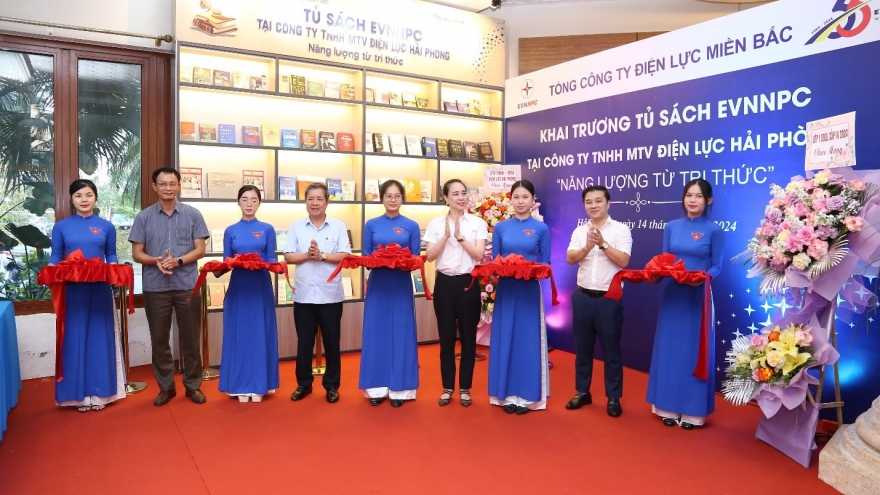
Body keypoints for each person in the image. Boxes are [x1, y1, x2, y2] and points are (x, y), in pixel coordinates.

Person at [647, 178, 724, 429]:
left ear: (708, 200)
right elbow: (665, 260)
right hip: (673, 295)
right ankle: (666, 407)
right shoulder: (671, 227)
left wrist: (702, 279)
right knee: (670, 350)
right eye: (689, 195)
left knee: (694, 351)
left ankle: (692, 412)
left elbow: (717, 266)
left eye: (699, 196)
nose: (693, 200)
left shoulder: (714, 230)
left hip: (697, 297)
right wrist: (657, 273)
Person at [129, 167, 209, 406]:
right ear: (154, 187)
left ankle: (193, 386)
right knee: (160, 340)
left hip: (187, 285)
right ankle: (166, 387)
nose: (168, 188)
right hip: (156, 287)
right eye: (162, 184)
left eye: (172, 183)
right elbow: (136, 253)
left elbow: (200, 249)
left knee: (191, 339)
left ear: (179, 185)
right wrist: (155, 261)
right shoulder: (143, 217)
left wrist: (179, 261)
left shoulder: (193, 214)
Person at [48, 179, 124, 412]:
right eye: (79, 195)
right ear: (71, 199)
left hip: (99, 288)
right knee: (74, 338)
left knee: (100, 338)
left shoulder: (106, 226)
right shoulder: (61, 227)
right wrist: (49, 271)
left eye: (89, 195)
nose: (84, 200)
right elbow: (55, 256)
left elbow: (111, 255)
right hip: (73, 290)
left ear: (95, 198)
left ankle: (101, 394)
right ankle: (77, 396)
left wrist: (115, 270)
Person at [565, 186, 632, 417]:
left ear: (608, 203)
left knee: (611, 351)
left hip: (608, 299)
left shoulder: (621, 230)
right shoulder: (579, 230)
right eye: (589, 202)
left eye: (598, 201)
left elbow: (623, 261)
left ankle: (613, 397)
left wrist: (602, 244)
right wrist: (587, 246)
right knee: (582, 348)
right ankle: (582, 392)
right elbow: (570, 258)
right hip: (582, 297)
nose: (593, 205)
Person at [487, 180, 551, 415]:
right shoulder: (501, 227)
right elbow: (495, 261)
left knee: (527, 341)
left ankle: (527, 397)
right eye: (516, 197)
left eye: (525, 197)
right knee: (505, 337)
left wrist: (529, 269)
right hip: (506, 289)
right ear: (510, 199)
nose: (521, 201)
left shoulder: (541, 229)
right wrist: (505, 268)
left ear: (533, 200)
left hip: (529, 290)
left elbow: (546, 263)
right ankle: (505, 395)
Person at [284, 183, 351, 403]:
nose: (315, 203)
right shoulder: (296, 227)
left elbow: (345, 256)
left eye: (319, 199)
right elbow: (288, 256)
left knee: (332, 343)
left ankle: (331, 386)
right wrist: (308, 255)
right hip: (304, 295)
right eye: (310, 199)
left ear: (327, 202)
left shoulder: (338, 226)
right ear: (305, 202)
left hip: (330, 295)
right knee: (304, 343)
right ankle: (304, 384)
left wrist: (322, 256)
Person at [424, 179, 488, 407]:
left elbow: (479, 255)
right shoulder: (435, 224)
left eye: (463, 193)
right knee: (446, 339)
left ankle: (465, 389)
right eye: (456, 194)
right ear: (445, 197)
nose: (461, 198)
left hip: (468, 283)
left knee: (468, 339)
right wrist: (445, 236)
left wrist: (460, 237)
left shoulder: (477, 223)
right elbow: (430, 256)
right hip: (444, 284)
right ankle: (448, 387)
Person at [359, 180, 421, 407]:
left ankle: (400, 389)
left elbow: (416, 259)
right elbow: (366, 257)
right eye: (388, 196)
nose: (393, 200)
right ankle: (376, 388)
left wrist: (400, 260)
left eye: (397, 196)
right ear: (381, 198)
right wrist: (381, 259)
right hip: (378, 284)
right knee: (376, 332)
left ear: (402, 198)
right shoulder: (371, 224)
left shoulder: (411, 225)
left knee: (402, 332)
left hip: (401, 283)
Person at [218, 185, 280, 403]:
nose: (249, 204)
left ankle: (259, 385)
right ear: (238, 202)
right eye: (245, 199)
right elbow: (226, 261)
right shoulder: (230, 230)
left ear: (259, 203)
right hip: (239, 287)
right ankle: (238, 386)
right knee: (239, 335)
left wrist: (272, 265)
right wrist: (216, 268)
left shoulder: (267, 229)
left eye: (254, 199)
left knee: (260, 334)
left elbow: (271, 258)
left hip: (260, 286)